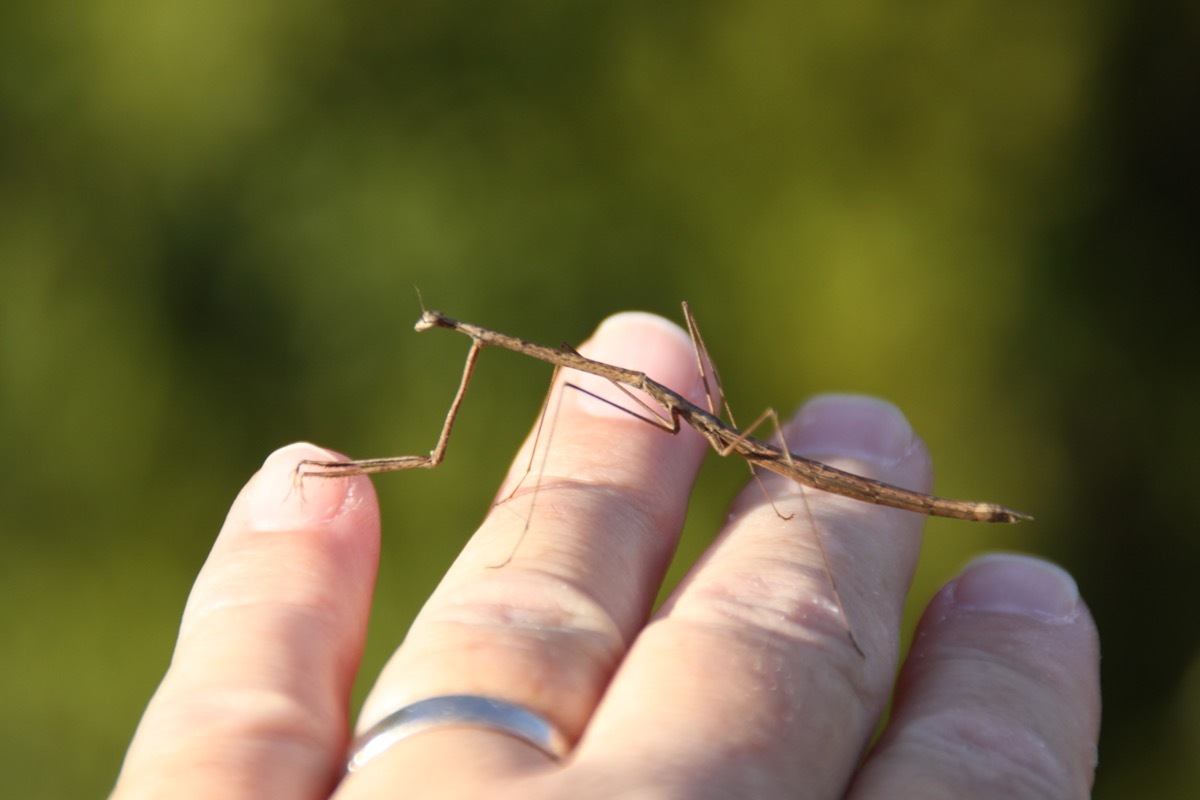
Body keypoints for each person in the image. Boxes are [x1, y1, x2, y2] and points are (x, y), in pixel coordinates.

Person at [111, 311, 1101, 799]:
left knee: (804, 491)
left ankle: (912, 535)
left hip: (785, 459)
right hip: (716, 427)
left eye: (445, 328)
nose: (444, 332)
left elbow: (446, 445)